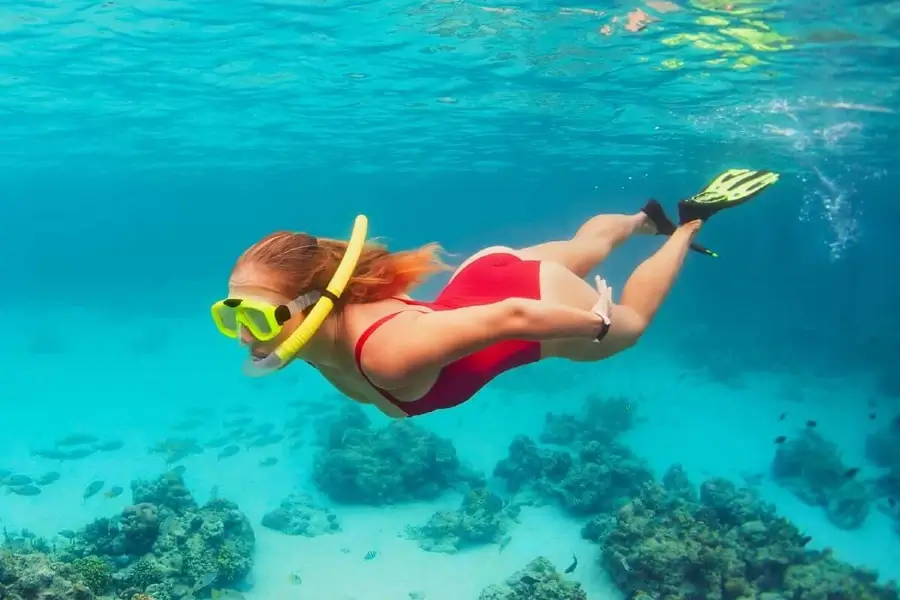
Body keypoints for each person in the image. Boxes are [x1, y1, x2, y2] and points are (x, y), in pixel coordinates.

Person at [211, 169, 779, 418]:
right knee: (584, 249)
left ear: (316, 303)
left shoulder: (386, 352)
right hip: (485, 276)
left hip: (521, 302)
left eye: (258, 318)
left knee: (633, 325)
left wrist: (595, 323)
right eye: (229, 314)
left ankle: (687, 223)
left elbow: (510, 317)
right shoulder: (314, 333)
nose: (242, 334)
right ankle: (641, 219)